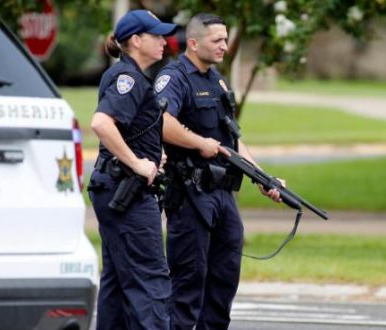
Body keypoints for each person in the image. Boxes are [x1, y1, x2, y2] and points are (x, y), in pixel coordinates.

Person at [154, 13, 283, 330]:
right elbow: (161, 122)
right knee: (188, 282)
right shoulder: (175, 78)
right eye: (218, 40)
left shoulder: (218, 81)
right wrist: (199, 143)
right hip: (190, 195)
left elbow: (234, 140)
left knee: (224, 278)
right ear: (194, 43)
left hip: (223, 196)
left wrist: (263, 178)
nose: (225, 45)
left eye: (226, 39)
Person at [88, 10, 176, 330]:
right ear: (136, 41)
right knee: (151, 280)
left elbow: (126, 128)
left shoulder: (133, 76)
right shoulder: (128, 78)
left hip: (116, 188)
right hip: (126, 192)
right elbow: (101, 123)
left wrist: (153, 154)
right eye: (157, 36)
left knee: (117, 280)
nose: (164, 41)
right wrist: (137, 162)